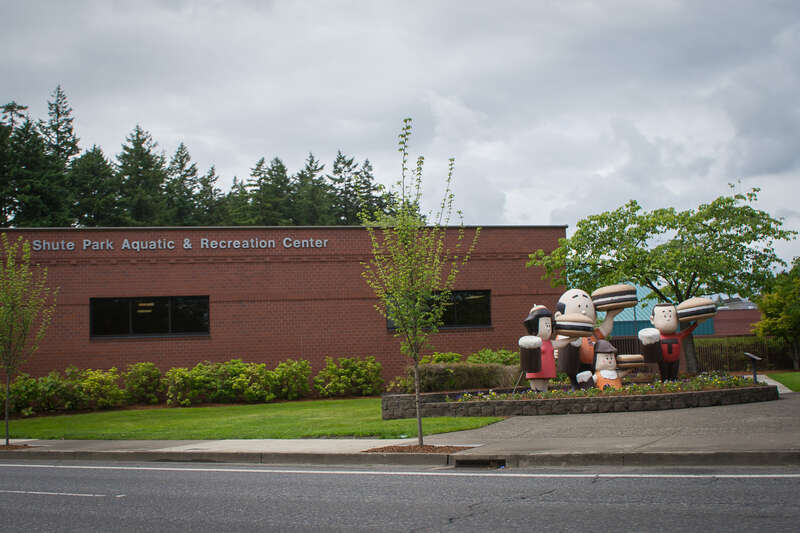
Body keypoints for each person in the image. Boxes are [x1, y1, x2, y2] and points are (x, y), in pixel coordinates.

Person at [554, 288, 623, 389]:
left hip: (593, 365)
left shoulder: (593, 334)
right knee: (577, 383)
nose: (583, 312)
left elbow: (605, 329)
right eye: (579, 307)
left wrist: (610, 316)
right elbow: (559, 345)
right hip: (575, 365)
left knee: (591, 384)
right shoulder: (565, 335)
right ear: (559, 316)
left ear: (594, 316)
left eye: (587, 307)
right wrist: (557, 352)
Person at [649, 303, 699, 381]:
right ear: (652, 320)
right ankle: (666, 386)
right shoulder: (656, 337)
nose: (668, 319)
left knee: (674, 376)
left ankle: (672, 385)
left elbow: (688, 331)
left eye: (670, 316)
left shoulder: (678, 336)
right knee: (664, 376)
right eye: (664, 316)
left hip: (675, 360)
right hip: (663, 360)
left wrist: (696, 323)